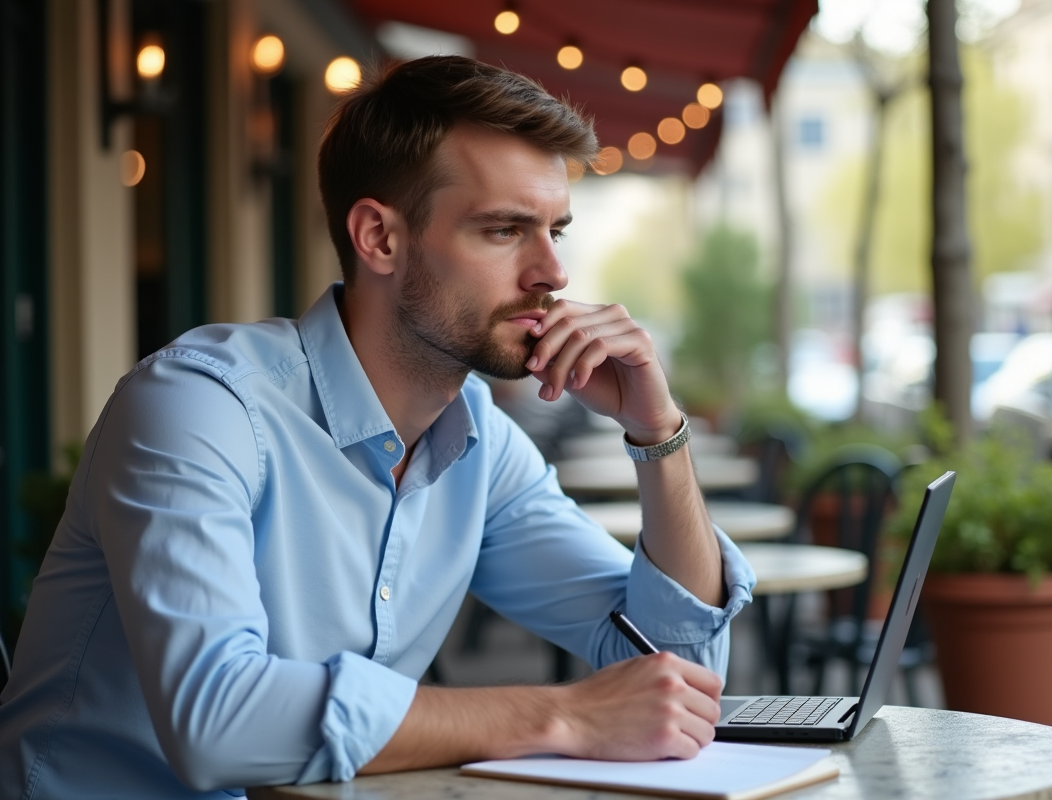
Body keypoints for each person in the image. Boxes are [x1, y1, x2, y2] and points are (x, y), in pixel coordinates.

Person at [0, 55, 754, 798]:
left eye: (555, 230)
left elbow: (682, 672)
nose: (553, 273)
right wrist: (564, 716)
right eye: (504, 230)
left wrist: (658, 433)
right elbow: (217, 723)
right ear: (379, 238)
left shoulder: (479, 444)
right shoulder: (199, 407)